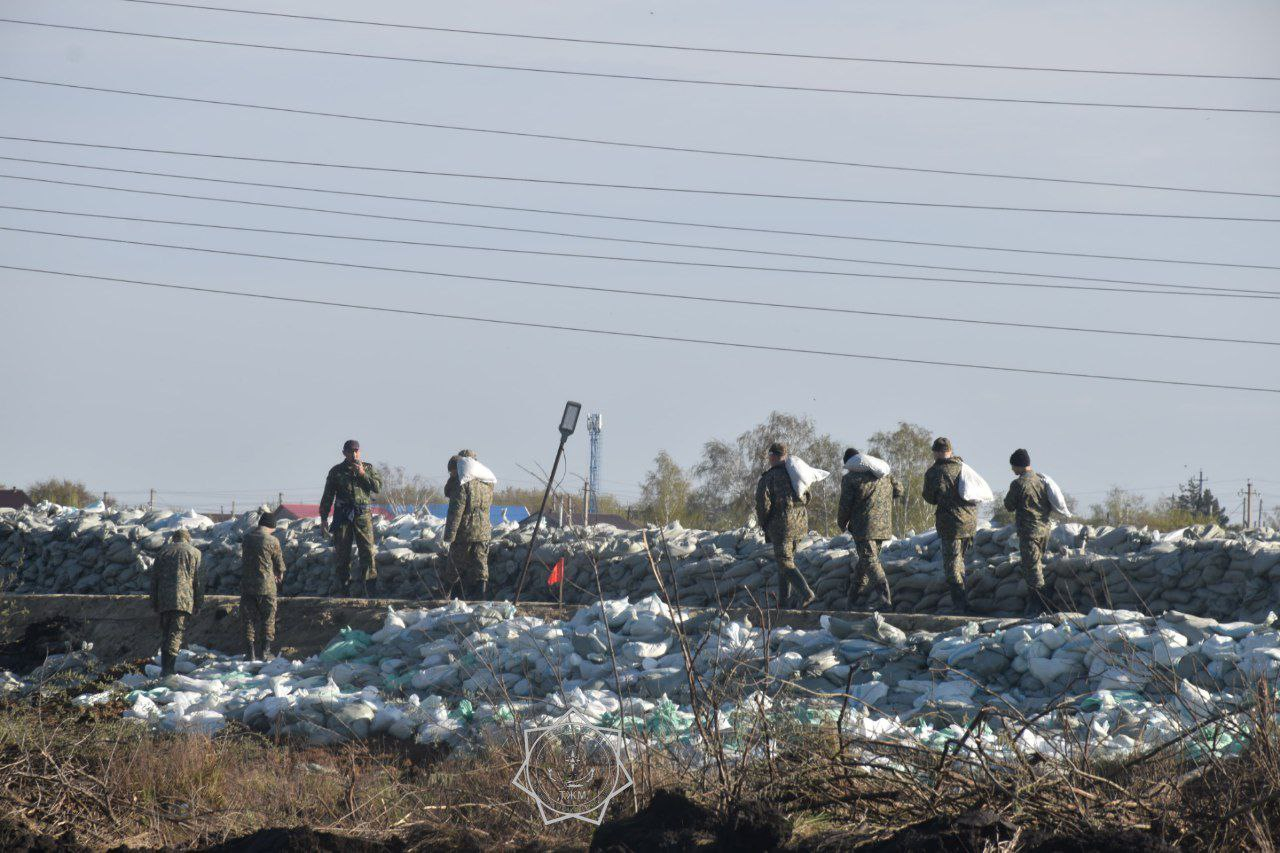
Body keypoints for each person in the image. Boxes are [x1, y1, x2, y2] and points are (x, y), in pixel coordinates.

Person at [837, 448, 903, 609]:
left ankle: (884, 599)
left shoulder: (851, 478)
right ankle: (853, 600)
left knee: (870, 560)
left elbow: (845, 504)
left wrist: (842, 522)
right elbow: (899, 490)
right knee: (865, 561)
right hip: (884, 526)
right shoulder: (883, 475)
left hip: (864, 526)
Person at [755, 441, 816, 610]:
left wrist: (764, 523)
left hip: (781, 526)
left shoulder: (769, 477)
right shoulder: (795, 475)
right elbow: (808, 496)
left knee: (784, 562)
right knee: (786, 562)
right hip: (800, 525)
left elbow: (762, 504)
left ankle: (806, 593)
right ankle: (783, 603)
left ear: (773, 456)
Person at [319, 439, 383, 597]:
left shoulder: (368, 468)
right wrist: (323, 518)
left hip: (362, 515)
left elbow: (377, 487)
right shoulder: (336, 471)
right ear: (344, 453)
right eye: (350, 451)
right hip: (343, 515)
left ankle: (370, 591)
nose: (354, 454)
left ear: (359, 452)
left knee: (367, 552)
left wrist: (362, 474)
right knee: (342, 553)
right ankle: (344, 590)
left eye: (356, 451)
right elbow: (328, 495)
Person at [922, 437, 979, 614]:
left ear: (937, 452)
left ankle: (960, 605)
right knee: (960, 562)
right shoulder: (963, 467)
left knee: (951, 566)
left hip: (952, 524)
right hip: (970, 523)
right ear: (951, 451)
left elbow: (929, 497)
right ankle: (965, 603)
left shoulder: (935, 472)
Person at [1003, 448, 1054, 615]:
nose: (1012, 470)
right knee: (1037, 565)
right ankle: (1042, 602)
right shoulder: (1041, 480)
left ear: (1019, 466)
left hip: (1029, 531)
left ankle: (1038, 604)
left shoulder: (1018, 484)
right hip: (1045, 530)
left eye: (1013, 467)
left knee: (1031, 568)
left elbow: (1009, 505)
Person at [149, 527, 204, 677]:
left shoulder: (162, 553)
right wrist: (199, 603)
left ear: (174, 538)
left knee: (166, 633)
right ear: (187, 539)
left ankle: (166, 667)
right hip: (183, 600)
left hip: (164, 600)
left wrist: (153, 602)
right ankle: (168, 670)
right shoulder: (195, 553)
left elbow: (154, 580)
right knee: (175, 633)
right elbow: (198, 581)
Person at [443, 450, 494, 599]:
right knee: (481, 565)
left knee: (454, 565)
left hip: (465, 531)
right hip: (484, 531)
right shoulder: (487, 482)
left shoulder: (463, 483)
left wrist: (449, 535)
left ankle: (447, 596)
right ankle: (481, 597)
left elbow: (456, 511)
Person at [240, 508, 286, 661]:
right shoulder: (272, 541)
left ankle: (250, 653)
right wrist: (280, 575)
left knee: (249, 620)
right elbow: (279, 565)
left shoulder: (246, 538)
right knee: (268, 618)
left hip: (247, 585)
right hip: (266, 586)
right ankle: (265, 652)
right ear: (271, 526)